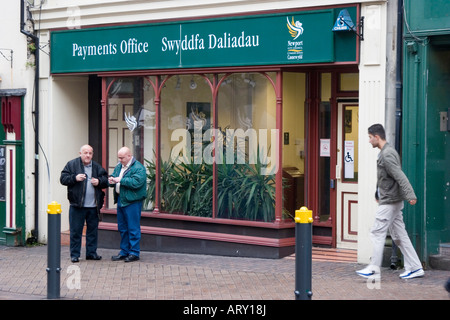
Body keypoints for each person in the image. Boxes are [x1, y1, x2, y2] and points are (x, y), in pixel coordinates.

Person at [356, 124, 424, 280]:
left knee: (377, 232)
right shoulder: (386, 152)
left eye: (369, 137)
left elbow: (399, 175)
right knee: (400, 236)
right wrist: (377, 192)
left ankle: (373, 268)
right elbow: (385, 177)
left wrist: (410, 194)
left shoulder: (387, 154)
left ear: (377, 137)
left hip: (390, 202)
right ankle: (415, 267)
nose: (369, 140)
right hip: (392, 200)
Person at [60, 145, 108, 263]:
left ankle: (91, 253)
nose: (88, 155)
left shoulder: (96, 167)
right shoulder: (72, 165)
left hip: (93, 206)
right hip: (77, 205)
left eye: (90, 153)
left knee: (92, 231)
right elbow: (63, 179)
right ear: (80, 153)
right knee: (76, 231)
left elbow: (106, 180)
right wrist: (74, 178)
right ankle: (75, 255)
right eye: (85, 153)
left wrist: (99, 181)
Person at [109, 147, 147, 262]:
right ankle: (124, 251)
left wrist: (119, 180)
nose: (120, 160)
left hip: (133, 202)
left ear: (129, 156)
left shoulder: (139, 168)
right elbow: (114, 176)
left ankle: (134, 252)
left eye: (122, 158)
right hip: (121, 200)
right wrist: (110, 180)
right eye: (119, 158)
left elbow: (136, 183)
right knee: (122, 228)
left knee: (133, 228)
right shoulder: (119, 166)